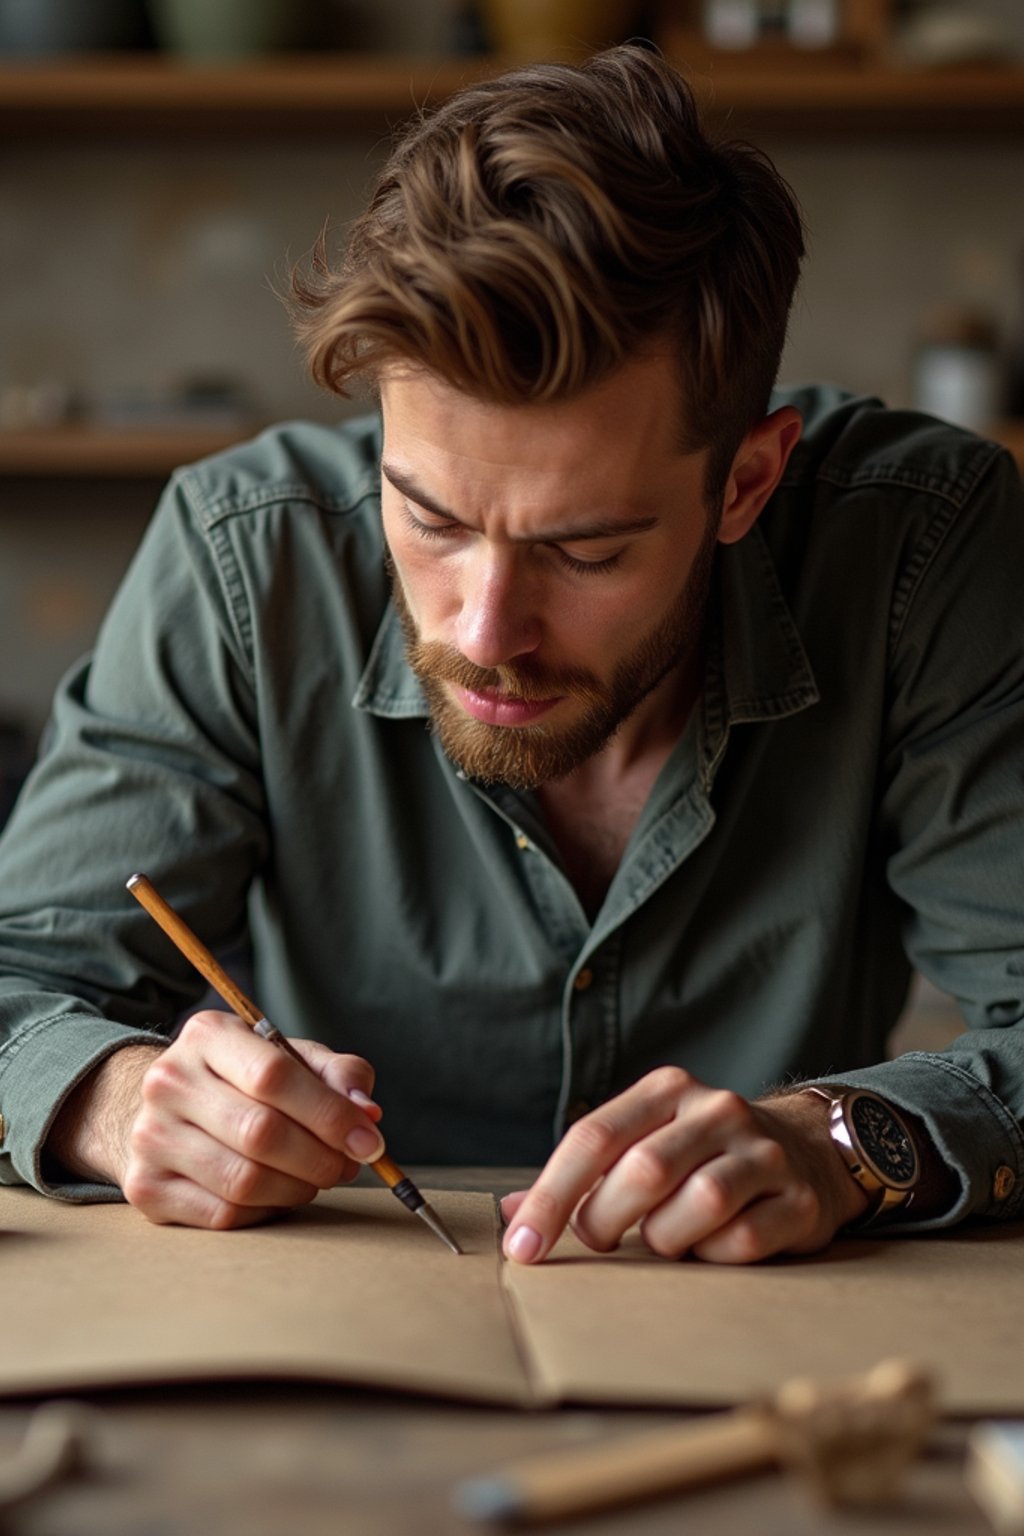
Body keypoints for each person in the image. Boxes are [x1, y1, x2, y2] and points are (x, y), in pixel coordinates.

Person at [0, 45, 1021, 1266]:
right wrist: (115, 1103)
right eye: (428, 521)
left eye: (586, 550)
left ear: (746, 481)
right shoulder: (243, 558)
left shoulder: (920, 549)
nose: (484, 633)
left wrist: (843, 1142)